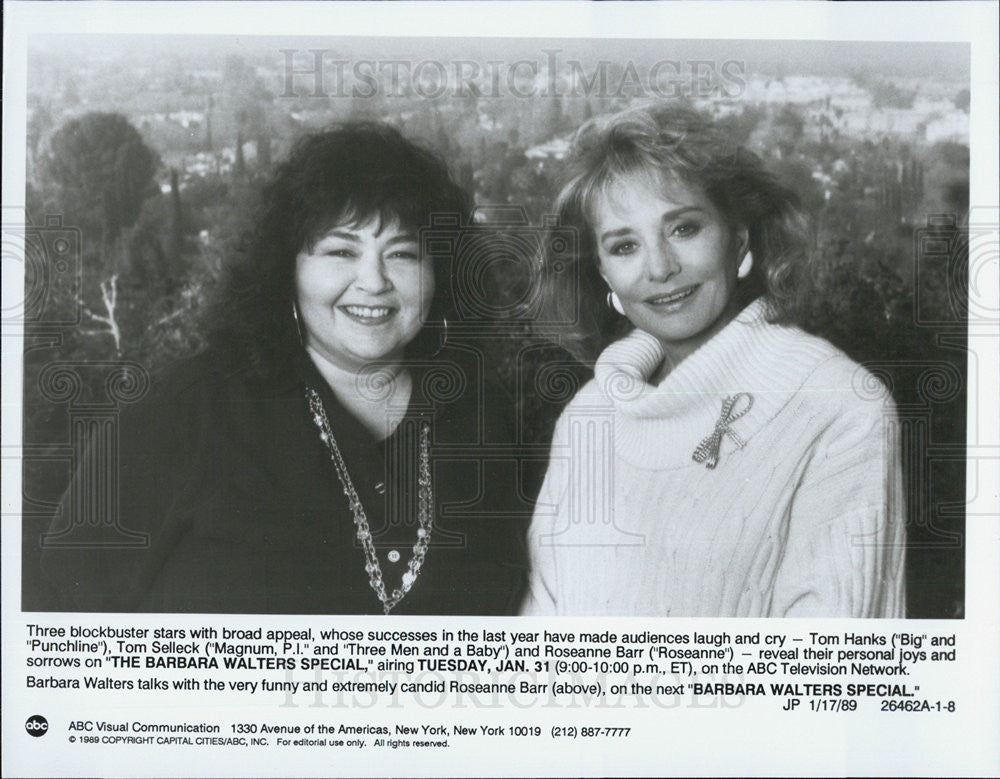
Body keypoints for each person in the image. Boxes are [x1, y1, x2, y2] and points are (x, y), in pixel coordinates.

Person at [40, 122, 531, 614]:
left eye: (402, 254)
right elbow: (57, 609)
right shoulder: (190, 409)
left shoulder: (489, 420)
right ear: (286, 270)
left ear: (439, 273)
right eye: (341, 251)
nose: (374, 282)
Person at [523, 103, 905, 618]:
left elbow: (832, 680)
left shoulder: (842, 410)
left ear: (738, 237)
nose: (659, 268)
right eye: (624, 245)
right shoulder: (587, 417)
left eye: (683, 229)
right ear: (603, 273)